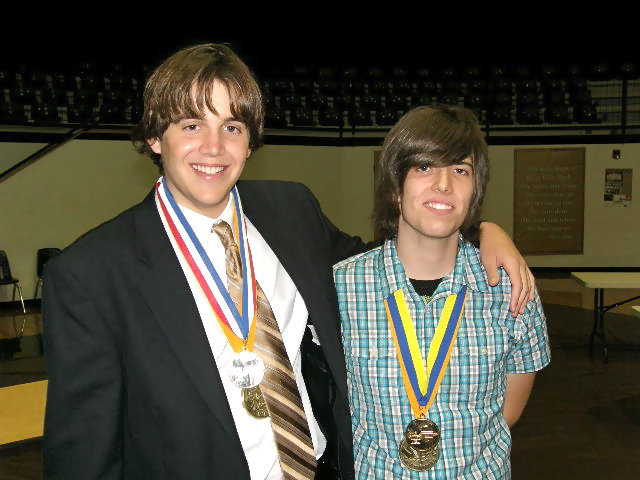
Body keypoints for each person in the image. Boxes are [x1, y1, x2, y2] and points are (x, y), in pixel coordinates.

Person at [43, 44, 534, 480]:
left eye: (232, 127)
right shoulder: (90, 275)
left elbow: (385, 260)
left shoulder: (291, 211)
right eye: (192, 125)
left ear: (250, 142)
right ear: (155, 137)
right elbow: (83, 454)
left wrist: (484, 231)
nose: (213, 148)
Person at [334, 106, 550, 479]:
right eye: (424, 167)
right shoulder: (341, 288)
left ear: (475, 190)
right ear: (394, 186)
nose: (444, 184)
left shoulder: (511, 291)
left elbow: (507, 412)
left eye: (460, 170)